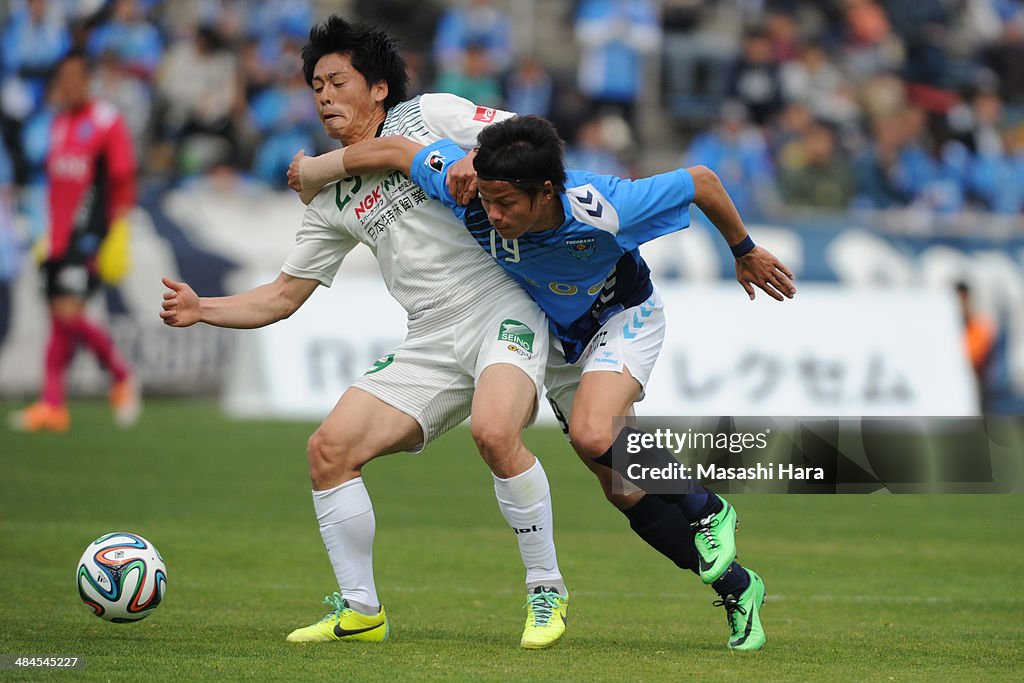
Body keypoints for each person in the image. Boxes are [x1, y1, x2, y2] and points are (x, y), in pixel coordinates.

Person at [290, 115, 797, 651]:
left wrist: (744, 251)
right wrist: (315, 170)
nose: (492, 213)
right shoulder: (468, 185)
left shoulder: (605, 205)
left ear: (547, 192)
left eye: (506, 203)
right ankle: (740, 588)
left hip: (620, 318)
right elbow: (394, 151)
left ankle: (708, 509)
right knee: (625, 489)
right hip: (557, 335)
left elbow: (701, 181)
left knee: (594, 435)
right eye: (488, 200)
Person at [160, 16, 568, 649]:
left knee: (495, 432)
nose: (324, 95)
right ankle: (361, 610)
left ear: (379, 88)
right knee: (329, 450)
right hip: (429, 340)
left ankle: (546, 589)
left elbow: (523, 139)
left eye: (338, 81)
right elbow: (281, 296)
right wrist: (201, 307)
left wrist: (468, 155)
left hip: (501, 308)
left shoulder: (428, 115)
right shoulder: (331, 195)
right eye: (316, 85)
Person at [8, 51, 140, 433]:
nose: (67, 86)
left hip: (89, 237)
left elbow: (122, 180)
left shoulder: (106, 122)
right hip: (57, 237)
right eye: (61, 79)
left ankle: (120, 373)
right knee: (59, 321)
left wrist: (113, 234)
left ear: (87, 79)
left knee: (67, 314)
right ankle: (53, 405)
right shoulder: (58, 123)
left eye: (74, 78)